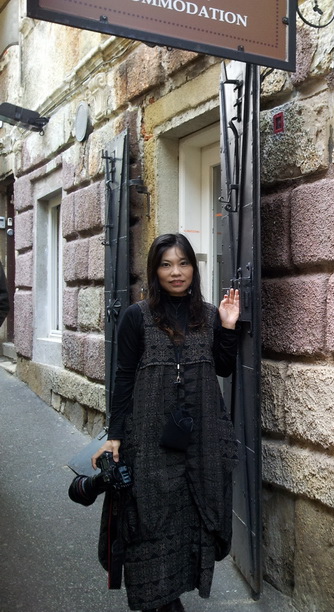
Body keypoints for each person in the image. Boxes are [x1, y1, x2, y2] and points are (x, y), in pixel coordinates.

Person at [92, 233, 240, 612]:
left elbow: (224, 367)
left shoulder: (209, 316)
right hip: (148, 440)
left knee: (189, 519)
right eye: (166, 264)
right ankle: (158, 599)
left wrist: (227, 327)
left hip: (200, 440)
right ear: (154, 271)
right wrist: (115, 435)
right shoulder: (136, 317)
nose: (176, 272)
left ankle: (171, 596)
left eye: (183, 263)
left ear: (194, 267)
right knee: (149, 517)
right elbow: (124, 377)